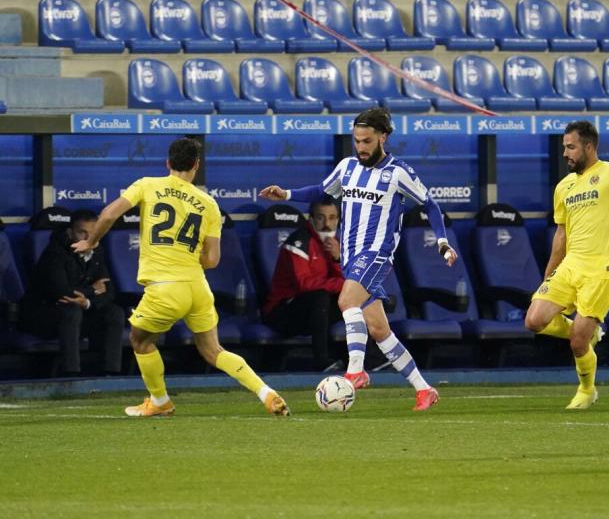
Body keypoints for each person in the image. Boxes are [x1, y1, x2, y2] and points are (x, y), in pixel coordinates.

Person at [72, 138, 290, 417]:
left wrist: (91, 242)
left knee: (140, 341)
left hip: (165, 288)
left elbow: (109, 213)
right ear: (196, 166)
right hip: (197, 287)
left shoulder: (147, 185)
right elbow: (212, 260)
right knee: (213, 350)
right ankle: (265, 392)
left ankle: (160, 401)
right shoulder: (208, 203)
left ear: (168, 162)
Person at [260, 107, 458, 411]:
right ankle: (424, 389)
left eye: (366, 141)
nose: (361, 147)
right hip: (351, 258)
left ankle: (356, 370)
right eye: (357, 141)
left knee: (345, 301)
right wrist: (286, 193)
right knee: (379, 330)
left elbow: (430, 204)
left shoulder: (398, 172)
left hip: (377, 254)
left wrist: (443, 242)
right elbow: (321, 190)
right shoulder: (347, 167)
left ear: (383, 137)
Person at [524, 122, 609, 409]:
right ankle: (590, 333)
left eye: (571, 147)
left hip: (605, 270)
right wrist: (549, 274)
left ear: (589, 147)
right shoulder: (564, 186)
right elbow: (560, 236)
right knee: (534, 320)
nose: (566, 153)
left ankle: (587, 390)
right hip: (571, 267)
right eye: (564, 147)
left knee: (577, 343)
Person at [21, 209, 124, 376]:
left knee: (114, 312)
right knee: (71, 311)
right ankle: (71, 374)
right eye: (82, 232)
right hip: (43, 317)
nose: (87, 238)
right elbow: (60, 292)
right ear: (70, 232)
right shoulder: (55, 252)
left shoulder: (97, 251)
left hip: (78, 315)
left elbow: (109, 291)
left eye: (92, 233)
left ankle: (110, 373)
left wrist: (88, 302)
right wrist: (92, 289)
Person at [263, 195, 344, 370]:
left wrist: (337, 259)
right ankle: (321, 361)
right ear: (312, 218)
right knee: (321, 296)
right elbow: (304, 284)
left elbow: (350, 280)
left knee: (358, 295)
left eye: (332, 218)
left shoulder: (337, 243)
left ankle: (372, 360)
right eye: (321, 217)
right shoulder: (299, 241)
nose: (327, 224)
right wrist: (341, 285)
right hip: (283, 312)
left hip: (315, 314)